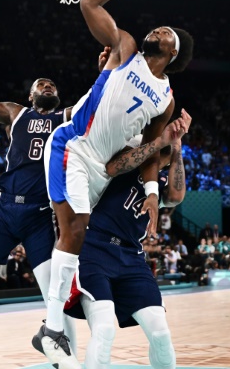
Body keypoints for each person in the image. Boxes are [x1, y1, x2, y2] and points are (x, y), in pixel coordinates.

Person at [35, 0, 194, 369]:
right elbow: (88, 3)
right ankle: (51, 328)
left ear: (172, 53)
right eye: (156, 27)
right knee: (75, 229)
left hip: (101, 169)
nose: (155, 30)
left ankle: (54, 329)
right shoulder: (123, 48)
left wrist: (155, 191)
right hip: (73, 146)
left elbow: (149, 152)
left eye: (164, 32)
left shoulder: (166, 98)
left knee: (75, 233)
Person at [0, 13, 81, 368]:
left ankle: (66, 362)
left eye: (52, 85)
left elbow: (99, 105)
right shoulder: (14, 113)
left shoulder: (67, 116)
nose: (48, 86)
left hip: (41, 215)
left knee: (58, 299)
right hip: (5, 210)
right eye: (42, 84)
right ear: (30, 93)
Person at [64, 112, 191, 369]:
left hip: (132, 256)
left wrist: (176, 146)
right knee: (104, 329)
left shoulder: (165, 177)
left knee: (161, 334)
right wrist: (159, 141)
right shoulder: (130, 148)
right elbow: (112, 167)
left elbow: (176, 197)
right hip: (95, 248)